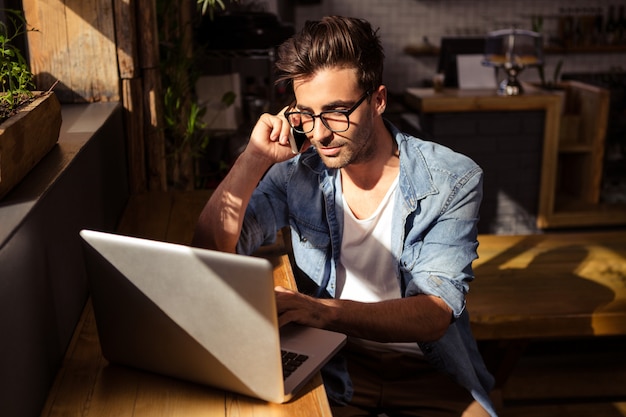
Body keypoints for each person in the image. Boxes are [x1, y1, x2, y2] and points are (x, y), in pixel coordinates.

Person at [193, 16, 497, 417]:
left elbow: (433, 314)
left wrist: (321, 311)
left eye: (336, 112)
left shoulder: (452, 180)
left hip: (431, 373)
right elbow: (208, 250)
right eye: (307, 114)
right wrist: (253, 159)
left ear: (378, 100)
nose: (319, 133)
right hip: (336, 367)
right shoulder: (296, 175)